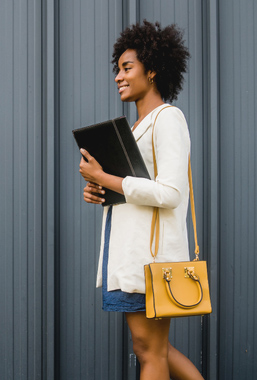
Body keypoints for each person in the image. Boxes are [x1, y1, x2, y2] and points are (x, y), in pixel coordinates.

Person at [78, 21, 204, 380]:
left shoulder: (168, 119)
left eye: (127, 67)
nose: (118, 76)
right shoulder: (135, 129)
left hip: (151, 262)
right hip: (134, 260)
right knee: (154, 349)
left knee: (149, 351)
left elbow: (170, 193)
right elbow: (135, 188)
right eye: (117, 69)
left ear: (152, 70)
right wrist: (100, 190)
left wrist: (106, 177)